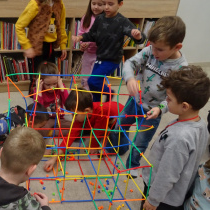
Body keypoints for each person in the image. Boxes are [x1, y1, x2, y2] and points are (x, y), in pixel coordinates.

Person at [106, 16, 188, 178]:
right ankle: (119, 148)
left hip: (153, 111)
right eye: (152, 46)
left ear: (177, 46)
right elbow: (130, 63)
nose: (154, 51)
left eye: (160, 49)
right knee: (119, 125)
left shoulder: (181, 68)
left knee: (140, 141)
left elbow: (176, 97)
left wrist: (161, 109)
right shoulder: (150, 50)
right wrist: (129, 78)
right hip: (134, 100)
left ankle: (132, 165)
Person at [141, 66, 210, 210]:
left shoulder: (178, 138)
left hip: (163, 197)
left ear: (184, 106)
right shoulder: (200, 124)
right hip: (176, 193)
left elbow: (167, 175)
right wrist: (160, 108)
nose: (165, 100)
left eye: (169, 98)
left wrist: (153, 200)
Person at [72, 0, 146, 102]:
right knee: (95, 85)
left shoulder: (122, 21)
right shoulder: (100, 19)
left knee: (93, 81)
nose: (106, 7)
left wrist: (138, 37)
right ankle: (97, 106)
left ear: (120, 4)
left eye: (110, 4)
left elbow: (140, 38)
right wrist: (80, 37)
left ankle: (110, 93)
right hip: (100, 57)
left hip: (112, 60)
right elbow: (92, 34)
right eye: (105, 4)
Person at [44, 88, 124, 171]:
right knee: (81, 130)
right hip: (101, 119)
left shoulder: (101, 112)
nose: (73, 118)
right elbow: (70, 135)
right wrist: (54, 157)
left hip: (120, 119)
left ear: (87, 111)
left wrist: (94, 147)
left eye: (74, 115)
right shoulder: (82, 116)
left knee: (119, 148)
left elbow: (98, 132)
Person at [16, 0, 68, 94]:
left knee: (51, 75)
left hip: (51, 46)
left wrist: (63, 45)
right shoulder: (35, 4)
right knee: (37, 76)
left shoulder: (59, 4)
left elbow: (61, 26)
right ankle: (35, 101)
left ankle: (49, 98)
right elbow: (19, 26)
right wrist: (27, 46)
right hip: (36, 46)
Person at [33, 62, 70, 137]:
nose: (52, 87)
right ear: (41, 81)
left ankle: (54, 132)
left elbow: (68, 103)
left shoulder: (60, 87)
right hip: (46, 120)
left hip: (60, 118)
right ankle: (54, 132)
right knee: (40, 132)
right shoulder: (38, 91)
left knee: (76, 127)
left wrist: (61, 86)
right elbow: (38, 109)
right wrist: (39, 91)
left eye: (54, 83)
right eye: (48, 85)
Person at [77, 0, 104, 90]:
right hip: (87, 54)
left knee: (95, 78)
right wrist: (82, 43)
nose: (96, 7)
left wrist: (91, 43)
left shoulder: (106, 20)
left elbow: (104, 38)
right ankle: (86, 95)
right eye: (93, 4)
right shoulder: (86, 17)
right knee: (85, 76)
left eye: (99, 4)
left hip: (99, 55)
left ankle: (93, 97)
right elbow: (81, 33)